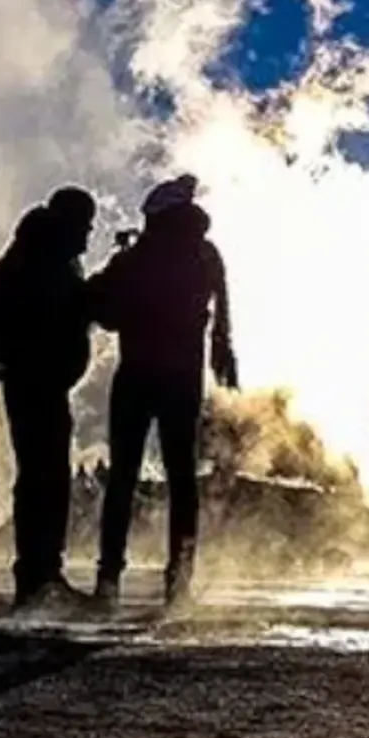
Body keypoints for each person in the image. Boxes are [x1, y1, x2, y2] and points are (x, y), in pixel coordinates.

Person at [88, 174, 237, 607]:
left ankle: (109, 580)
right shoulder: (206, 255)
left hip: (137, 375)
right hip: (183, 379)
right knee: (182, 481)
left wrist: (115, 265)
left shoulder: (136, 260)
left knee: (122, 479)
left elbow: (107, 313)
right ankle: (179, 581)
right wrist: (224, 350)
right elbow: (223, 311)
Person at [0, 186, 100, 607]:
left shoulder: (44, 257)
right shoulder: (34, 260)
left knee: (47, 477)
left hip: (43, 384)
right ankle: (37, 577)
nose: (88, 236)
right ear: (68, 223)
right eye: (85, 226)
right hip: (34, 384)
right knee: (43, 479)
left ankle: (43, 574)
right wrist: (15, 352)